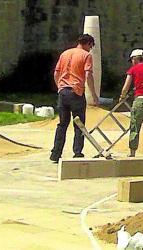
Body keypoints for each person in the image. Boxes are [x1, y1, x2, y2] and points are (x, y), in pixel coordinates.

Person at [50, 34, 100, 162]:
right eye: (91, 46)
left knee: (62, 124)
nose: (90, 49)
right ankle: (77, 152)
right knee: (79, 124)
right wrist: (94, 95)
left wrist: (59, 87)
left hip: (63, 91)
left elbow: (56, 73)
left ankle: (56, 153)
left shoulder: (65, 53)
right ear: (88, 43)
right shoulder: (86, 55)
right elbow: (88, 75)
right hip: (76, 91)